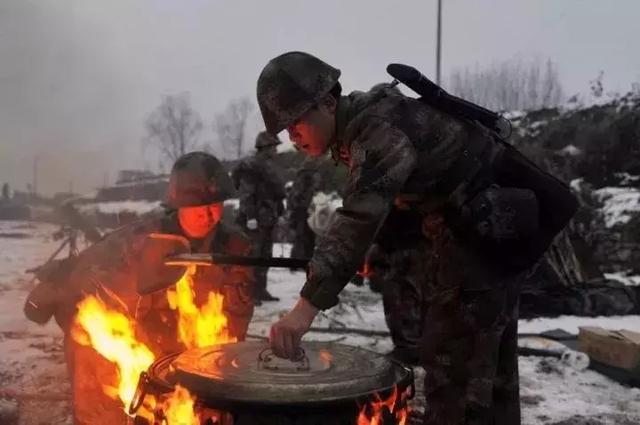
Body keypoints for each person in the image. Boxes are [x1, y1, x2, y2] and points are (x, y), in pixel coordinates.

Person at [255, 51, 577, 425]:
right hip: (482, 245)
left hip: (478, 249)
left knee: (453, 375)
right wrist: (378, 249)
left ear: (328, 103)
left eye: (296, 123)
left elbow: (359, 215)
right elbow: (398, 200)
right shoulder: (367, 125)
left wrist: (305, 308)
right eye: (286, 131)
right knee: (491, 378)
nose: (293, 137)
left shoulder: (377, 129)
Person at [24, 152, 255, 424]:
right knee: (86, 342)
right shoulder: (145, 238)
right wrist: (57, 284)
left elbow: (235, 323)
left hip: (200, 358)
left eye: (215, 204)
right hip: (146, 348)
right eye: (198, 205)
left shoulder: (235, 247)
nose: (209, 213)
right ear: (178, 203)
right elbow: (95, 261)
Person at [232, 132, 286, 302]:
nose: (276, 150)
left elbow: (274, 193)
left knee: (265, 257)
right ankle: (249, 292)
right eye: (273, 147)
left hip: (268, 218)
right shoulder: (252, 166)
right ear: (265, 147)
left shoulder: (268, 165)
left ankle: (261, 290)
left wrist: (279, 210)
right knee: (252, 258)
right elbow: (247, 193)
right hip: (255, 220)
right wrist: (250, 217)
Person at [287, 157, 323, 260]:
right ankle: (300, 260)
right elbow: (302, 194)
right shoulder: (306, 177)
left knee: (304, 237)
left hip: (303, 211)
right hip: (304, 211)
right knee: (304, 237)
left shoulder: (301, 177)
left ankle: (300, 260)